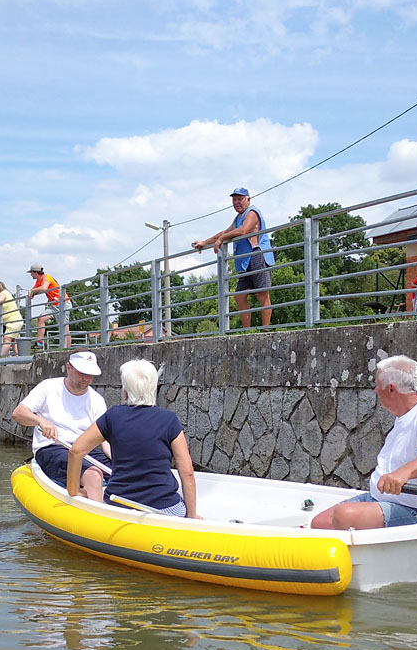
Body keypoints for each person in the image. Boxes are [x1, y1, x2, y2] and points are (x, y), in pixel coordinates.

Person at [309, 355, 417, 530]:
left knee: (344, 516)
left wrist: (402, 474)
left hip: (416, 508)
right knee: (319, 522)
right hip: (380, 498)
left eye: (378, 385)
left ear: (391, 389)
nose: (375, 390)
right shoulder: (405, 416)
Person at [68, 359, 198, 518]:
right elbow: (187, 472)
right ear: (153, 389)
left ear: (125, 392)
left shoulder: (113, 416)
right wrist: (192, 516)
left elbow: (76, 451)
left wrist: (73, 490)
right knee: (178, 498)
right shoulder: (169, 419)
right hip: (164, 507)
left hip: (119, 505)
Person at [12, 350, 111, 499]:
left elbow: (105, 439)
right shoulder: (48, 387)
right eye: (82, 373)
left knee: (124, 470)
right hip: (53, 447)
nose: (86, 379)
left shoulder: (97, 400)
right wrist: (41, 421)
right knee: (93, 475)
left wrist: (117, 457)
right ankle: (97, 508)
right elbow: (19, 413)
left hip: (84, 449)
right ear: (69, 368)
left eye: (90, 374)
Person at [192, 187, 274, 329]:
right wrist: (204, 243)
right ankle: (246, 330)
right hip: (245, 261)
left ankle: (266, 329)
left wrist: (222, 238)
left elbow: (244, 230)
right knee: (239, 296)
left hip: (257, 255)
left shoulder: (252, 212)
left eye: (240, 199)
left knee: (262, 294)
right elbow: (225, 232)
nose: (237, 202)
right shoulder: (238, 218)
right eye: (234, 199)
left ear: (248, 199)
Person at [26, 263, 70, 348]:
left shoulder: (47, 277)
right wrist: (32, 292)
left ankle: (68, 349)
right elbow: (33, 292)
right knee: (41, 318)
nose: (31, 275)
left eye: (31, 272)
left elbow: (43, 288)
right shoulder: (38, 281)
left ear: (35, 272)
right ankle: (39, 344)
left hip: (63, 303)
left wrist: (32, 291)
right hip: (54, 305)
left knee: (64, 328)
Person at [0, 280, 22, 356]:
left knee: (6, 339)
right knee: (13, 340)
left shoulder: (4, 293)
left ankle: (1, 358)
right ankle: (18, 356)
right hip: (13, 321)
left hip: (13, 321)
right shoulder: (6, 293)